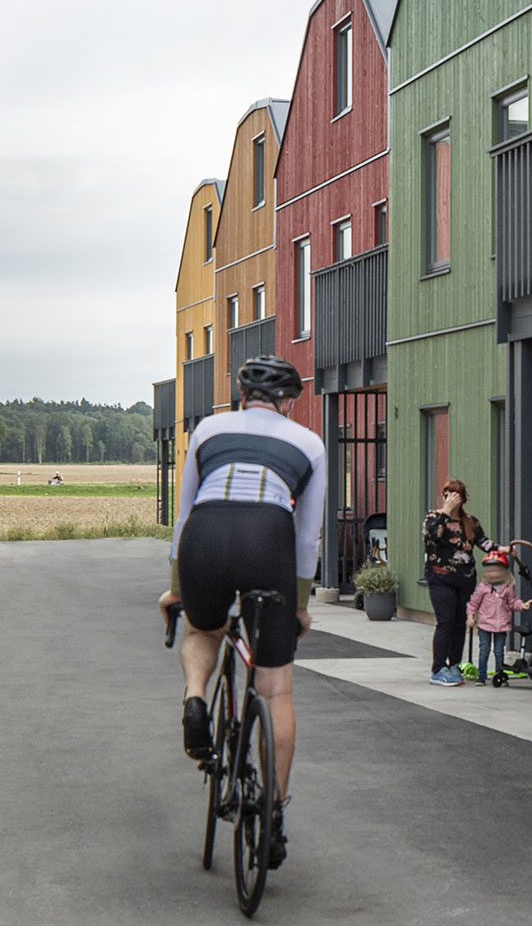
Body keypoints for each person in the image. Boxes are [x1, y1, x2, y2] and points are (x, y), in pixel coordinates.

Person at [159, 353, 327, 874]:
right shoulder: (311, 444)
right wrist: (299, 606)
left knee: (202, 627)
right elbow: (307, 536)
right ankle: (272, 817)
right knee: (275, 688)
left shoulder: (209, 429)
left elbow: (184, 514)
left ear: (241, 394)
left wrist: (175, 589)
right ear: (289, 402)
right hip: (268, 538)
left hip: (206, 535)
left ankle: (193, 700)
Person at [420, 477, 483, 686]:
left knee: (459, 624)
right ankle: (438, 669)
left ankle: (454, 664)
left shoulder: (470, 522)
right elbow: (430, 536)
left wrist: (503, 550)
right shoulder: (434, 517)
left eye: (455, 495)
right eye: (447, 494)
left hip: (465, 578)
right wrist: (446, 512)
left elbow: (483, 541)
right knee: (445, 621)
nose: (451, 499)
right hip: (441, 578)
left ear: (463, 499)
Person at [464, 547, 519, 684]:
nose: (494, 574)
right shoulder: (482, 588)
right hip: (485, 624)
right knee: (484, 650)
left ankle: (499, 674)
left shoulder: (507, 588)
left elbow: (513, 602)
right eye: (491, 571)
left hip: (501, 625)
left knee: (499, 651)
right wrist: (470, 617)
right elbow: (473, 603)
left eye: (497, 570)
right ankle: (482, 676)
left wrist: (521, 605)